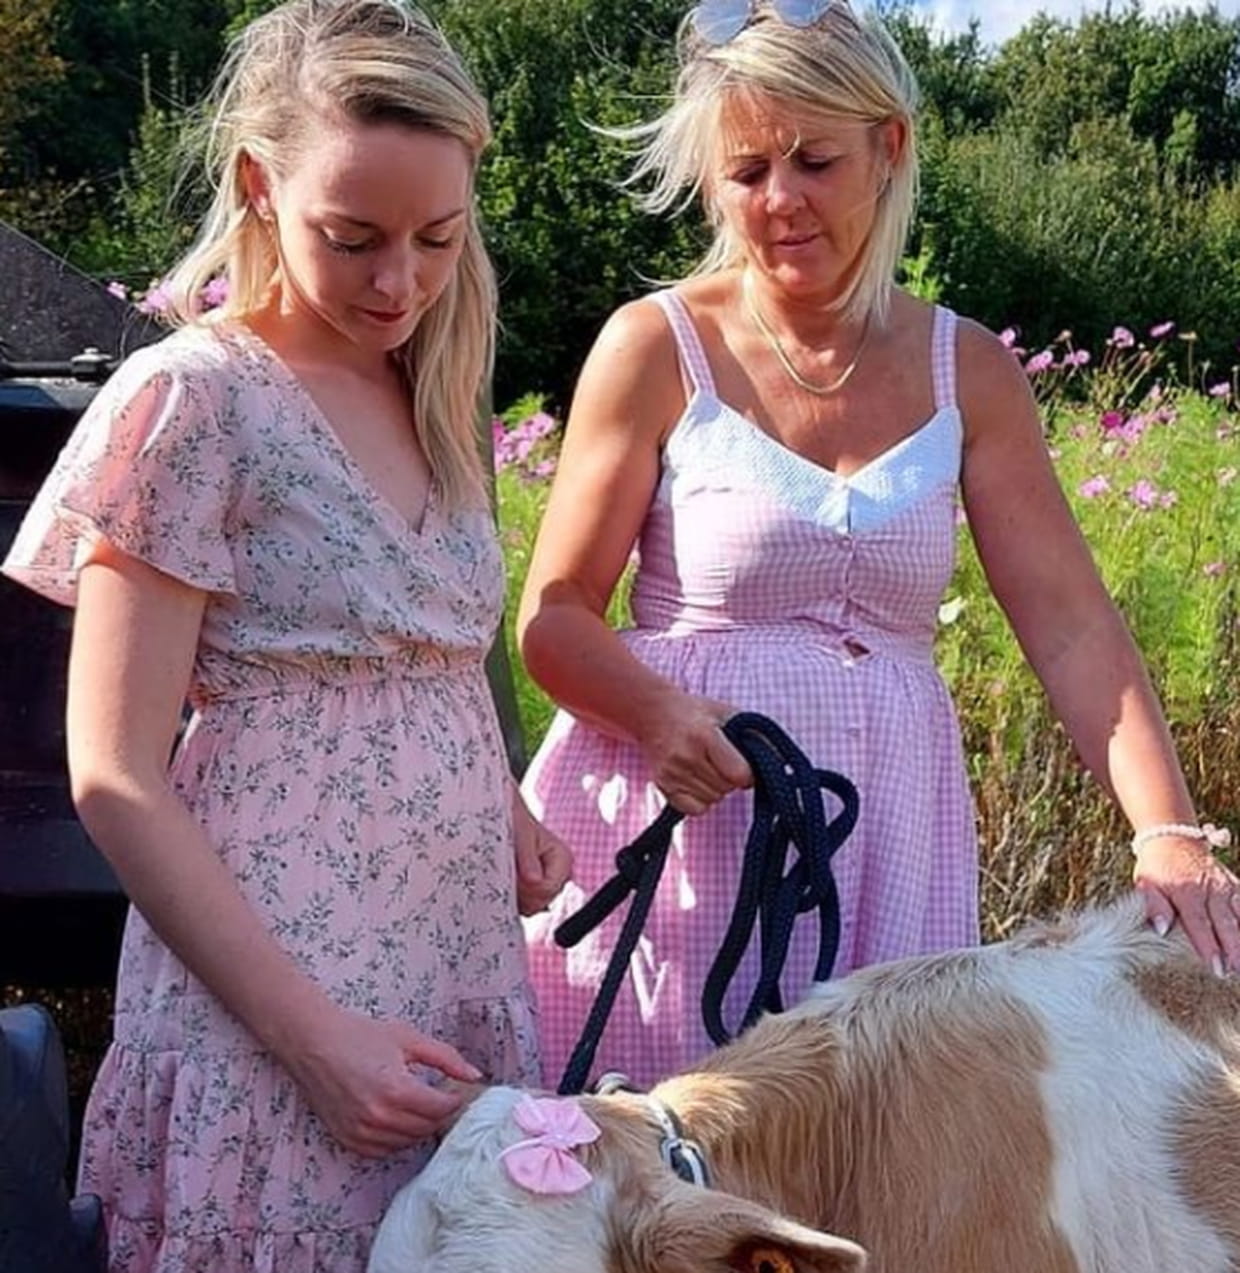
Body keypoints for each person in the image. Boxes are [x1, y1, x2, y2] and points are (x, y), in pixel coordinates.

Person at [516, 0, 1240, 1092]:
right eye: (746, 169)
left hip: (893, 833)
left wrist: (1168, 830)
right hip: (696, 829)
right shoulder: (656, 345)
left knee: (880, 1179)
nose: (778, 201)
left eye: (813, 160)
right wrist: (658, 713)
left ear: (887, 146)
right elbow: (554, 612)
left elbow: (1072, 622)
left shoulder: (969, 369)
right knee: (667, 1189)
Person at [2, 1, 572, 1268]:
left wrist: (500, 802)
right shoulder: (194, 397)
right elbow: (113, 772)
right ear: (259, 185)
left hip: (450, 959)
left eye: (438, 236)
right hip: (277, 994)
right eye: (352, 237)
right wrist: (312, 1037)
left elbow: (424, 661)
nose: (399, 281)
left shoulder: (431, 380)